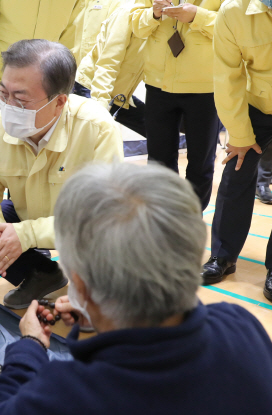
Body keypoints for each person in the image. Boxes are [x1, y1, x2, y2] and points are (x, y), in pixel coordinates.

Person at [0, 163, 272, 415]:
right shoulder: (240, 324)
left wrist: (29, 347)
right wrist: (93, 319)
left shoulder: (65, 394)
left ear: (79, 283)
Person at [0, 40, 123, 309]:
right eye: (3, 93)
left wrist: (26, 234)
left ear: (59, 102)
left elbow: (99, 214)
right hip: (29, 215)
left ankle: (96, 287)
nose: (8, 106)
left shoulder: (97, 129)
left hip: (82, 227)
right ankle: (41, 273)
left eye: (20, 99)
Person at [201, 0, 272, 301]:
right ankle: (223, 255)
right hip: (257, 104)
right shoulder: (234, 11)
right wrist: (240, 135)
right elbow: (227, 76)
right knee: (236, 171)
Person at [131, 0, 222, 210]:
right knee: (158, 160)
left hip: (205, 86)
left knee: (201, 161)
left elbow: (233, 30)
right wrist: (152, 14)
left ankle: (191, 219)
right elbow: (135, 25)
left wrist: (197, 16)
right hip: (157, 84)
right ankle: (163, 217)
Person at [0, 0, 81, 124]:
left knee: (44, 141)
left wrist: (61, 86)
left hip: (47, 87)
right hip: (1, 86)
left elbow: (70, 35)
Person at [75, 3, 147, 137]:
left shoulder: (163, 23)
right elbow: (108, 64)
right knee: (89, 140)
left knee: (159, 132)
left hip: (118, 94)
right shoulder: (127, 14)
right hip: (92, 87)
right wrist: (100, 110)